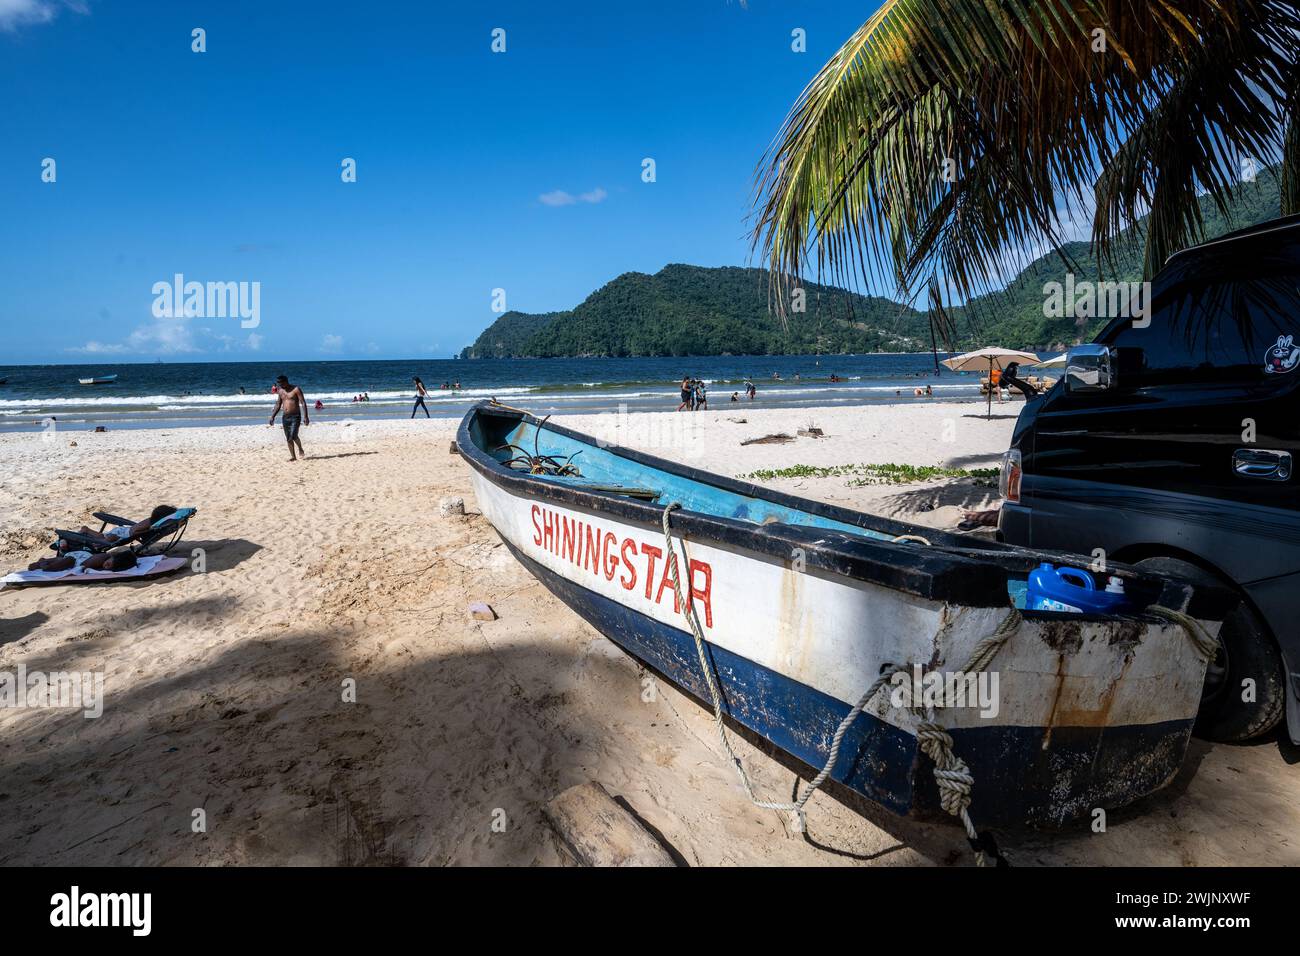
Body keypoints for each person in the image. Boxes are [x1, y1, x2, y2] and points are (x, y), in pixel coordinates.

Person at [269, 374, 309, 461]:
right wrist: (273, 416)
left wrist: (306, 416)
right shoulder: (280, 391)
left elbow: (303, 402)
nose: (280, 386)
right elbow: (278, 404)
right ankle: (293, 457)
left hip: (295, 416)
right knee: (288, 438)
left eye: (281, 384)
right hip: (285, 417)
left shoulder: (296, 389)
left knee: (294, 435)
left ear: (286, 381)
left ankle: (300, 448)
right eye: (279, 384)